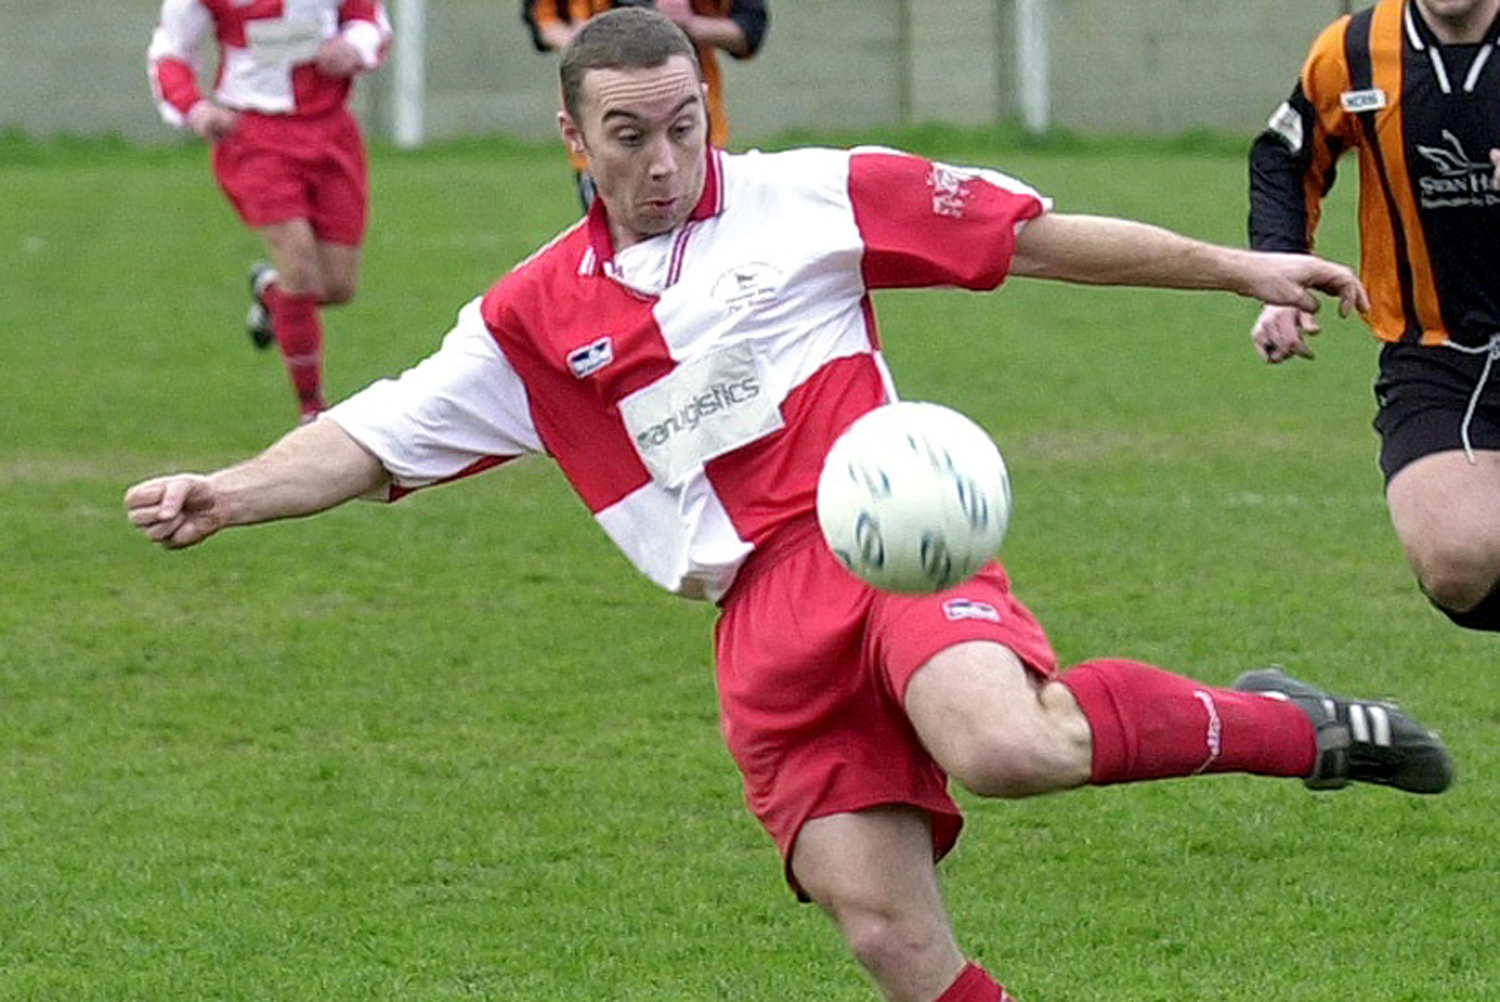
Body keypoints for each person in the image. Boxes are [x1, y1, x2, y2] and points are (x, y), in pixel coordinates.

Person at [128, 10, 1452, 1001]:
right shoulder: (529, 320)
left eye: (684, 124)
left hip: (888, 538)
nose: (664, 159)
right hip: (756, 619)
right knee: (886, 930)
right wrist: (226, 492)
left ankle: (1293, 727)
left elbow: (1034, 238)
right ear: (574, 137)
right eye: (629, 135)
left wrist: (1239, 268)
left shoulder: (808, 195)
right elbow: (371, 436)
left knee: (1005, 743)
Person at [1248, 0, 1500, 631]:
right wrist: (1279, 276)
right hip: (1434, 351)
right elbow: (1284, 154)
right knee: (1456, 562)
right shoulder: (1354, 51)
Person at [148, 0, 393, 423]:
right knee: (300, 270)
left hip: (332, 132)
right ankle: (312, 410)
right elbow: (169, 52)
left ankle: (269, 293)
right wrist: (196, 108)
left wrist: (353, 47)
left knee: (335, 286)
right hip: (255, 136)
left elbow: (369, 19)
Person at [521, 0, 767, 208]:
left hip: (693, 140)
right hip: (604, 136)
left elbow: (749, 30)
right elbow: (541, 22)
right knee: (623, 250)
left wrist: (689, 24)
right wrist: (586, 43)